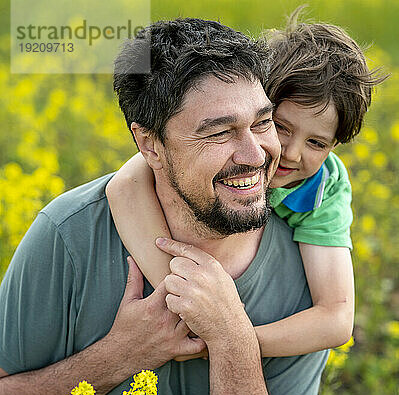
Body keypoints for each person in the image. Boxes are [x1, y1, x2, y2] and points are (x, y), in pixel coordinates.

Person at [0, 17, 396, 395]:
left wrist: (232, 335)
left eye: (262, 123)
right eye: (218, 132)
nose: (259, 154)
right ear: (149, 142)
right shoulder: (69, 235)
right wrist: (122, 354)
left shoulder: (303, 265)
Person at [106, 13, 386, 361]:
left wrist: (228, 340)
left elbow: (336, 320)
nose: (291, 153)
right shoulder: (229, 151)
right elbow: (124, 185)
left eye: (317, 143)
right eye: (279, 126)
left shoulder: (323, 189)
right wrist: (183, 305)